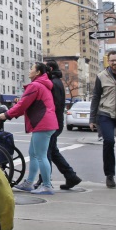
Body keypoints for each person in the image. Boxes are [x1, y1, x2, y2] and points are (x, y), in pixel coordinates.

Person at [0, 62, 59, 195]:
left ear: (38, 73)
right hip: (45, 123)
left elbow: (23, 105)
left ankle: (47, 186)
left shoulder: (35, 85)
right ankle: (29, 183)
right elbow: (28, 103)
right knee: (33, 154)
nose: (29, 71)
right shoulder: (42, 85)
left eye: (31, 69)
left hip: (43, 124)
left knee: (41, 156)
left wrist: (6, 115)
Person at [89, 50, 116, 188]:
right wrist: (92, 118)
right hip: (105, 113)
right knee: (108, 141)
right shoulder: (101, 76)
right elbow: (96, 97)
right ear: (108, 61)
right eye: (112, 60)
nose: (114, 63)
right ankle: (109, 175)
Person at [44, 60, 82, 190]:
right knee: (53, 152)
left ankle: (45, 180)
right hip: (57, 122)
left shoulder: (53, 83)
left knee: (46, 153)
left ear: (49, 68)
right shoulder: (58, 82)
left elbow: (52, 105)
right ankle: (71, 176)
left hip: (52, 123)